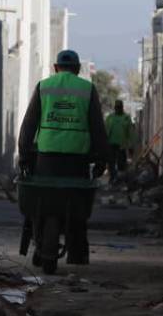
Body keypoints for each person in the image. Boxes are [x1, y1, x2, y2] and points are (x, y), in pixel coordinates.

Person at [17, 49, 109, 264]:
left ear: (55, 67)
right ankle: (77, 252)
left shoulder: (44, 86)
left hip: (46, 158)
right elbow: (97, 127)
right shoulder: (87, 89)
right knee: (77, 205)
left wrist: (24, 155)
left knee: (41, 203)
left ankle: (38, 241)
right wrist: (101, 159)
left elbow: (29, 125)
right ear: (78, 69)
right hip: (77, 160)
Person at [104, 99, 136, 185]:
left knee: (121, 163)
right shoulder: (110, 118)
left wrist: (131, 146)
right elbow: (105, 131)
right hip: (111, 144)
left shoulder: (126, 118)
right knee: (111, 163)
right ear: (115, 108)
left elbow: (131, 133)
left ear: (122, 107)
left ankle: (120, 180)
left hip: (121, 145)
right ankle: (112, 178)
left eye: (119, 107)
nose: (118, 109)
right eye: (116, 107)